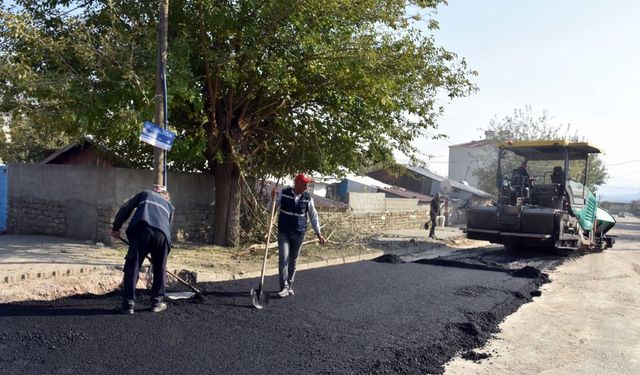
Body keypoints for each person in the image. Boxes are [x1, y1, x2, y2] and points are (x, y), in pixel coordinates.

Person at [111, 184, 175, 314]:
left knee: (133, 264)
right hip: (162, 236)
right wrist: (160, 255)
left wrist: (116, 227)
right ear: (166, 197)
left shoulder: (146, 194)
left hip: (142, 229)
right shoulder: (170, 206)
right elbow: (168, 228)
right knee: (160, 268)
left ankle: (128, 304)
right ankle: (157, 302)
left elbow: (126, 207)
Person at [270, 173, 326, 298]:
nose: (306, 187)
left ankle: (289, 285)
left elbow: (313, 216)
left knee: (293, 261)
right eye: (304, 185)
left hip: (299, 233)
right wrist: (272, 198)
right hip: (284, 231)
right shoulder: (283, 193)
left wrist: (319, 234)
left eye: (307, 185)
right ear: (297, 184)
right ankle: (283, 287)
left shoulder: (308, 198)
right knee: (283, 259)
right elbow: (270, 209)